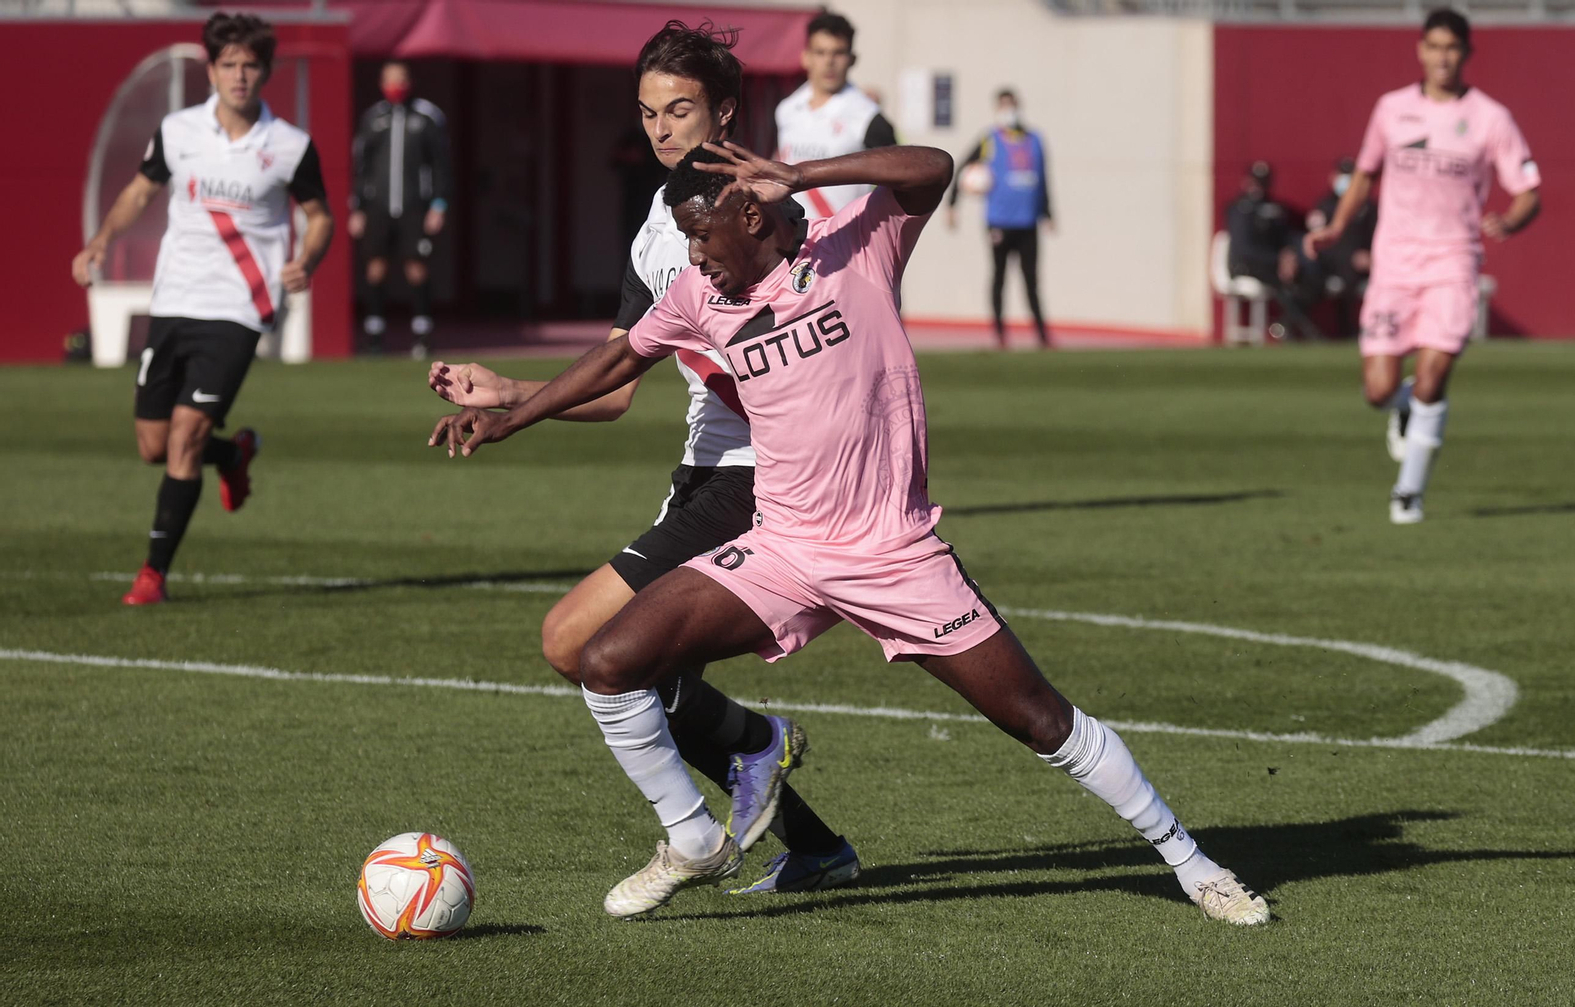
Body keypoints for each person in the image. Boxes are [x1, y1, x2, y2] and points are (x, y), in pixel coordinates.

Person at [428, 142, 1272, 927]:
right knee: (607, 661)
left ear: (749, 214)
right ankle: (692, 837)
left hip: (895, 553)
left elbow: (933, 166)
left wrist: (800, 174)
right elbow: (614, 364)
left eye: (701, 234)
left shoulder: (856, 247)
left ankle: (1192, 862)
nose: (692, 256)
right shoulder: (697, 296)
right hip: (785, 547)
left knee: (1039, 718)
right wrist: (512, 413)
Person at [427, 21, 858, 896]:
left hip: (765, 476)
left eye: (681, 109)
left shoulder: (777, 210)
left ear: (725, 111)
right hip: (701, 471)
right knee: (643, 673)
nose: (661, 128)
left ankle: (720, 798)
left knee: (576, 639)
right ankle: (814, 843)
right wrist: (510, 391)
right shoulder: (657, 230)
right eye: (648, 112)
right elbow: (620, 384)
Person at [71, 12, 331, 606]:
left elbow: (321, 217)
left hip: (240, 308)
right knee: (153, 445)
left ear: (265, 72)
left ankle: (152, 575)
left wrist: (307, 260)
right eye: (229, 64)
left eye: (250, 65)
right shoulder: (177, 130)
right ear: (210, 69)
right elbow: (140, 190)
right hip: (174, 300)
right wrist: (102, 241)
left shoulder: (290, 146)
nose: (240, 75)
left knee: (184, 437)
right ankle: (232, 453)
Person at [1307, 8, 1541, 524]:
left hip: (1452, 262)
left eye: (1452, 48)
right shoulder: (1392, 110)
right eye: (1434, 46)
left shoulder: (1489, 117)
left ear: (1466, 53)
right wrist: (1336, 227)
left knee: (1435, 376)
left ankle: (1408, 491)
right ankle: (1403, 405)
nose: (1442, 57)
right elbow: (1365, 174)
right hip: (1395, 265)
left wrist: (1512, 221)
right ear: (1420, 50)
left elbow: (1528, 191)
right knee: (1378, 391)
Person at [350, 61, 450, 358]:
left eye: (400, 79)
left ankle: (422, 331)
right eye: (390, 79)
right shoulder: (373, 118)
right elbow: (361, 166)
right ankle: (375, 331)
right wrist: (357, 207)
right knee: (376, 266)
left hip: (413, 207)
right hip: (379, 207)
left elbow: (441, 165)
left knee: (415, 266)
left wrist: (438, 204)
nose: (395, 84)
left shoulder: (427, 117)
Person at [947, 88, 1054, 348]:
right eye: (1004, 106)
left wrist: (1048, 212)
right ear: (997, 109)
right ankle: (1000, 334)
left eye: (1012, 105)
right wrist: (952, 204)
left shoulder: (1035, 139)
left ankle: (1042, 335)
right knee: (999, 276)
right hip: (999, 221)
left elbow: (1043, 180)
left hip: (1028, 221)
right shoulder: (990, 139)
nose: (1009, 111)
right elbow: (963, 166)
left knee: (1031, 279)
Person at [774, 11, 897, 219]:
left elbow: (899, 181)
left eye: (838, 52)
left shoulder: (868, 117)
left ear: (852, 59)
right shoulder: (786, 109)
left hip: (844, 242)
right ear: (806, 57)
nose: (829, 61)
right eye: (821, 52)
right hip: (791, 240)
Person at [1225, 161, 1321, 341]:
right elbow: (1244, 248)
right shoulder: (1239, 208)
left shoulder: (1276, 209)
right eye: (1255, 181)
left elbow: (1286, 238)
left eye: (1263, 182)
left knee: (1311, 276)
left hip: (1275, 264)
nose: (1259, 187)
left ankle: (1284, 325)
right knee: (1281, 283)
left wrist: (1290, 256)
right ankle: (1306, 331)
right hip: (1247, 265)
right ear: (1247, 181)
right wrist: (1278, 260)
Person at [1306, 157, 1377, 338]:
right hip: (1335, 264)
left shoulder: (1368, 206)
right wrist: (1350, 256)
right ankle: (1346, 330)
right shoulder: (1325, 206)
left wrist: (1370, 256)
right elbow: (1320, 244)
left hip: (1368, 263)